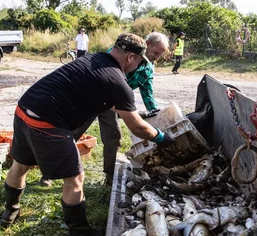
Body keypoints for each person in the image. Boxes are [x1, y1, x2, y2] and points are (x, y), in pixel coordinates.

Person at [0, 33, 174, 236]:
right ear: (130, 58)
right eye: (138, 61)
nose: (138, 66)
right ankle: (79, 231)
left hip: (24, 109)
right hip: (47, 123)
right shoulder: (118, 81)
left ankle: (10, 211)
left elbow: (96, 95)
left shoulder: (92, 58)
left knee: (20, 165)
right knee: (75, 178)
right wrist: (162, 137)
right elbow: (138, 128)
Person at [39, 31, 170, 187]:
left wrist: (154, 112)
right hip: (93, 98)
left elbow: (147, 91)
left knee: (113, 138)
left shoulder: (147, 68)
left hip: (114, 104)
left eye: (160, 55)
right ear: (147, 44)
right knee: (71, 134)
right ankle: (48, 172)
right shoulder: (122, 51)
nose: (157, 57)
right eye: (156, 52)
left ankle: (110, 178)